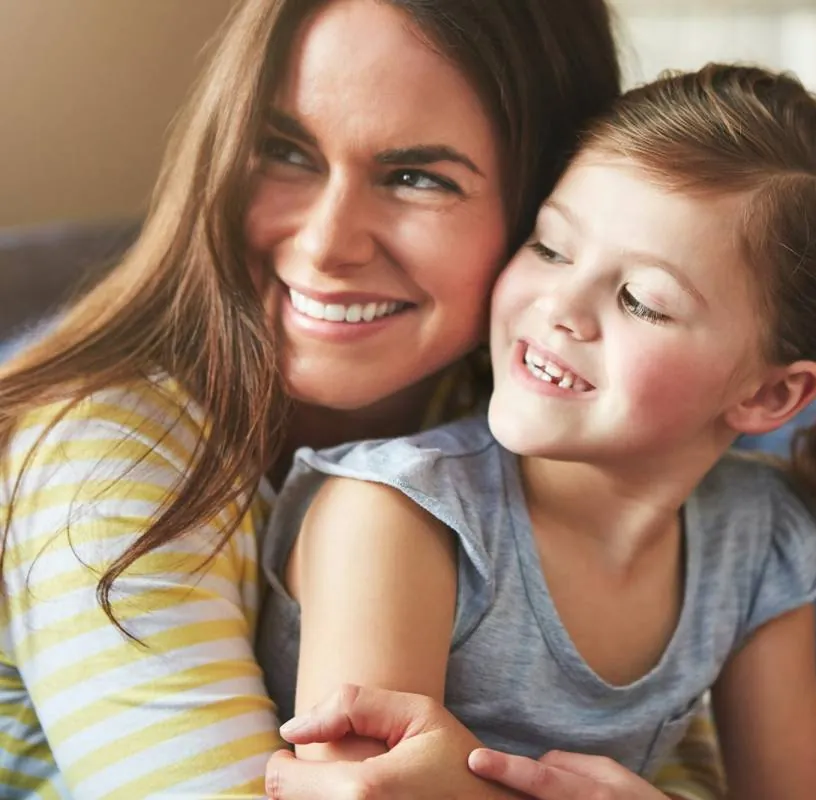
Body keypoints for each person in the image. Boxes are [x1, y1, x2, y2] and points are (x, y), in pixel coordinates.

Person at [0, 1, 725, 797]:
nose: (326, 243)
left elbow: (673, 772)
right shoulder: (111, 455)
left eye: (417, 177)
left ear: (549, 210)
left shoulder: (537, 419)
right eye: (285, 151)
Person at [259, 63, 816, 799]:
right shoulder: (398, 516)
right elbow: (357, 792)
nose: (561, 304)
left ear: (769, 394)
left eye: (641, 300)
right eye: (551, 247)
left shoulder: (755, 542)